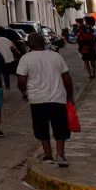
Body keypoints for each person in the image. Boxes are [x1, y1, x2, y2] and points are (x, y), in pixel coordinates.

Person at [18, 33, 75, 167]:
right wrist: (70, 95)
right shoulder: (56, 56)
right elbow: (67, 78)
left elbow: (21, 80)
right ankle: (60, 155)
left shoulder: (26, 59)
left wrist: (24, 91)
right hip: (58, 98)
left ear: (29, 45)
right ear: (43, 43)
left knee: (41, 127)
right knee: (60, 127)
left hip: (37, 99)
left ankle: (48, 155)